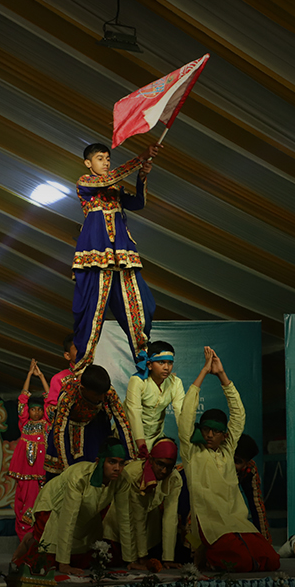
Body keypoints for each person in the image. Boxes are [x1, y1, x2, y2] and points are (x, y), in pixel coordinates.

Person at [177, 347, 280, 572]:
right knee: (240, 563)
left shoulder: (227, 450)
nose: (209, 435)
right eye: (206, 429)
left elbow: (238, 414)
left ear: (224, 435)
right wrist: (204, 372)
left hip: (237, 521)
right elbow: (186, 414)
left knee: (271, 560)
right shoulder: (192, 451)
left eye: (215, 431)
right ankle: (205, 555)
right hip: (212, 525)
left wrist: (222, 375)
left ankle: (209, 556)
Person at [71, 142, 161, 374]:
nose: (106, 162)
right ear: (88, 163)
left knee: (141, 306)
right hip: (96, 255)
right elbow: (107, 179)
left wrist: (142, 176)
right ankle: (82, 369)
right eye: (100, 159)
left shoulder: (115, 189)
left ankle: (143, 362)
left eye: (108, 158)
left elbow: (138, 203)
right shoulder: (86, 182)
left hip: (122, 254)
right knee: (92, 310)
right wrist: (140, 158)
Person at [12, 439, 128, 576]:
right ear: (99, 461)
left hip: (85, 514)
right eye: (112, 462)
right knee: (46, 562)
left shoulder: (122, 479)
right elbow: (68, 519)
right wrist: (64, 564)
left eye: (121, 463)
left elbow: (125, 519)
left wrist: (131, 560)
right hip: (54, 507)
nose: (117, 468)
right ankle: (30, 540)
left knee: (94, 559)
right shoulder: (79, 477)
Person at [44, 364, 137, 478]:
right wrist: (67, 470)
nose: (102, 398)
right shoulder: (68, 396)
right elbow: (60, 432)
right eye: (97, 395)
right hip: (70, 432)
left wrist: (130, 459)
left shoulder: (108, 392)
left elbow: (123, 422)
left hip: (94, 428)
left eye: (104, 394)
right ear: (84, 389)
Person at [103, 437, 183, 568]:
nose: (164, 471)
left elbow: (170, 518)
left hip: (148, 534)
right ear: (150, 460)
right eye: (160, 464)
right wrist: (141, 558)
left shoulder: (174, 479)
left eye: (169, 467)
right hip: (120, 530)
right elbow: (136, 517)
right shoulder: (134, 475)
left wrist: (168, 558)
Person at [8, 358, 50, 538]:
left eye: (39, 409)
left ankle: (37, 535)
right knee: (23, 499)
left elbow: (51, 400)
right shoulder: (24, 424)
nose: (37, 412)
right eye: (33, 409)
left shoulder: (46, 424)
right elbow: (22, 398)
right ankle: (24, 535)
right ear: (28, 411)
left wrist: (41, 377)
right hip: (24, 471)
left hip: (41, 472)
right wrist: (28, 375)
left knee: (39, 500)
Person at [125, 341, 185, 457]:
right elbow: (134, 413)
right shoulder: (138, 381)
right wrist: (141, 447)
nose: (166, 368)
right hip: (131, 437)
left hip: (156, 438)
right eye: (161, 362)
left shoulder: (175, 383)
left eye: (170, 363)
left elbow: (180, 413)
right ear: (149, 365)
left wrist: (188, 438)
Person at [234, 434, 271, 543]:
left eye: (238, 462)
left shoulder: (249, 469)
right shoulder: (214, 464)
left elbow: (257, 506)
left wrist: (265, 543)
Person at [46, 333, 78, 417]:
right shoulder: (59, 378)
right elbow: (51, 409)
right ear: (67, 355)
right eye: (77, 348)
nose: (82, 351)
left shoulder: (94, 372)